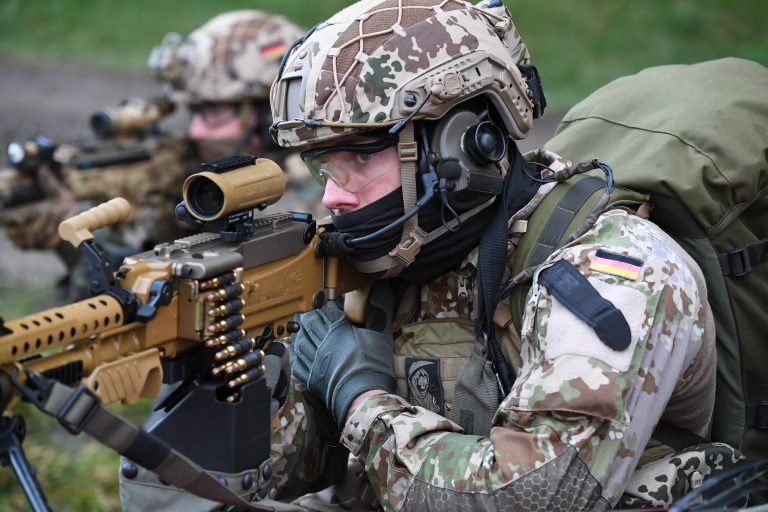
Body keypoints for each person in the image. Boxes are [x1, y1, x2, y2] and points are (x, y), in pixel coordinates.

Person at [264, 1, 741, 510]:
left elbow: (534, 497)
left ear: (461, 147)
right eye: (325, 167)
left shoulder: (615, 273)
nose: (333, 199)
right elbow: (292, 472)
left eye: (359, 156)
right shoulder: (388, 264)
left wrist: (361, 401)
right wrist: (251, 384)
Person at [0, 10, 321, 301]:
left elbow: (197, 307)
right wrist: (68, 237)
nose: (195, 132)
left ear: (269, 112)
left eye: (214, 112)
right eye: (193, 111)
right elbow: (113, 303)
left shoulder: (306, 199)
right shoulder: (185, 173)